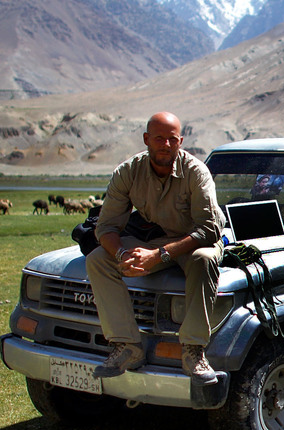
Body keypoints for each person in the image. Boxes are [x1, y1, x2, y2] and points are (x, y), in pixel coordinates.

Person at [86, 111, 225, 385]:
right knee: (98, 259)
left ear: (180, 141)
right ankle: (127, 346)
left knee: (204, 259)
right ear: (146, 139)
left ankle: (193, 351)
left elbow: (209, 229)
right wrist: (123, 255)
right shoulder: (128, 172)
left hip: (195, 240)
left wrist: (158, 256)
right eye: (158, 138)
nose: (165, 145)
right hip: (160, 240)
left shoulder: (196, 172)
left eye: (171, 139)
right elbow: (105, 227)